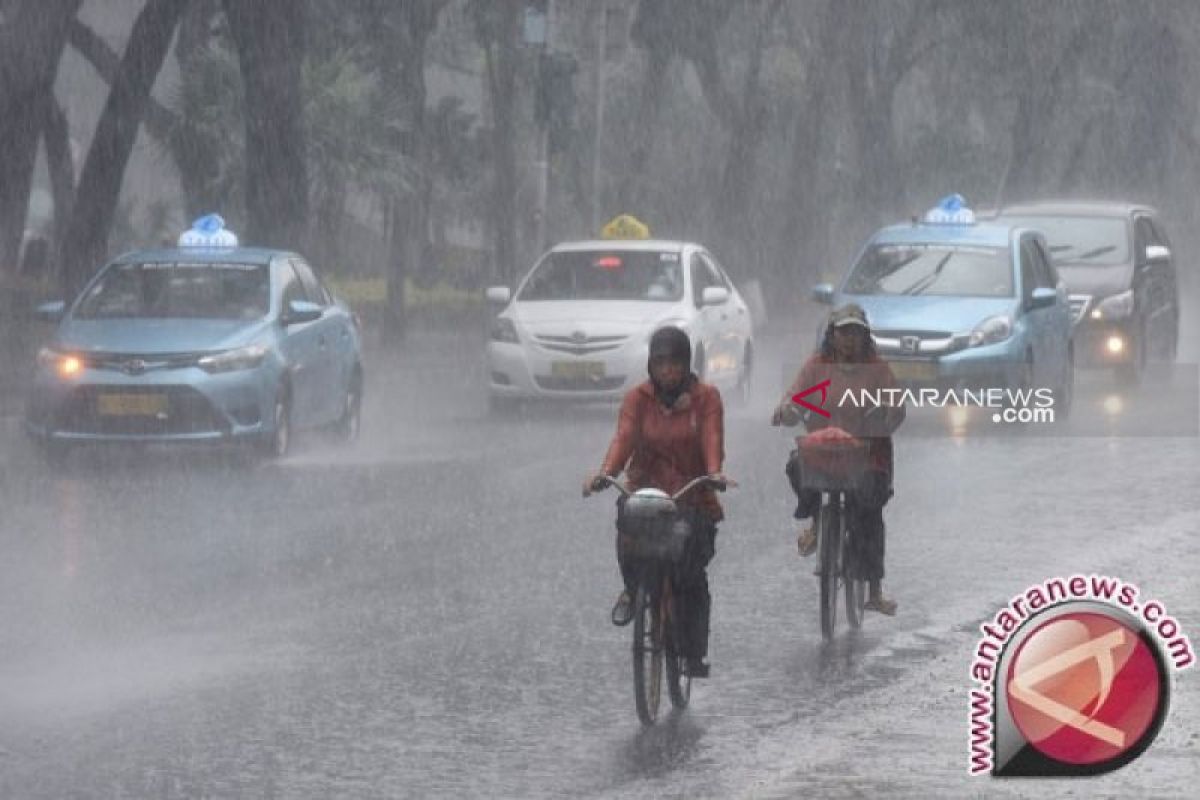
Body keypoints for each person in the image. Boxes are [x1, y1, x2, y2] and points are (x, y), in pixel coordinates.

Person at [582, 326, 732, 678]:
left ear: (686, 364)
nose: (667, 371)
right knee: (628, 526)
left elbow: (712, 439)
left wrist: (714, 472)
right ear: (651, 365)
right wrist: (606, 473)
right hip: (646, 492)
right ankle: (632, 591)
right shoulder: (638, 399)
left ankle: (693, 653)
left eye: (674, 363)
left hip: (691, 496)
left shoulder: (706, 398)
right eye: (660, 363)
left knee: (691, 576)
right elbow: (624, 438)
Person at [771, 303, 905, 615]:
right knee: (795, 466)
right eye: (844, 332)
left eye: (856, 332)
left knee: (869, 513)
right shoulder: (816, 366)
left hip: (868, 456)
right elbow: (793, 399)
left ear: (865, 336)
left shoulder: (878, 369)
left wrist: (884, 416)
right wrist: (785, 410)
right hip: (823, 453)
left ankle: (874, 590)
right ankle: (819, 524)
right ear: (832, 335)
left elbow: (896, 408)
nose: (849, 339)